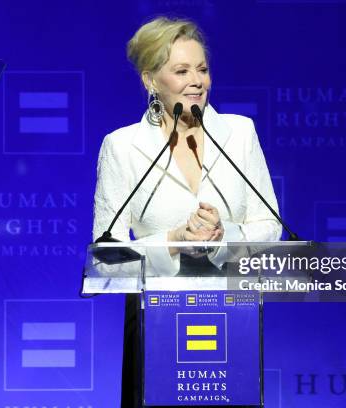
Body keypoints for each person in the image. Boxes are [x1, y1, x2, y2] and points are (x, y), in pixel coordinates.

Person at [92, 16, 282, 407]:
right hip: (155, 321)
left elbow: (270, 226)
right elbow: (106, 259)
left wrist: (223, 235)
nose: (197, 80)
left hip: (234, 314)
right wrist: (173, 241)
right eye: (181, 71)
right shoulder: (123, 147)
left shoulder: (239, 132)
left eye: (203, 69)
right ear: (150, 80)